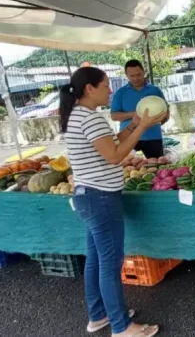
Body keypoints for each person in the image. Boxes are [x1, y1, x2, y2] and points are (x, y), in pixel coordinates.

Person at [60, 67, 164, 337]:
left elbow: (109, 143)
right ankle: (121, 327)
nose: (111, 90)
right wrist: (142, 127)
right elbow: (115, 156)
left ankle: (98, 316)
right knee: (110, 263)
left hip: (88, 196)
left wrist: (133, 125)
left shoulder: (76, 115)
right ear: (89, 89)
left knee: (96, 259)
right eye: (106, 85)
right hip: (101, 199)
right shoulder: (90, 118)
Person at [111, 60, 168, 159]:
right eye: (132, 76)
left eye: (138, 74)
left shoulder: (155, 90)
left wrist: (161, 119)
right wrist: (135, 114)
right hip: (128, 137)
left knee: (156, 165)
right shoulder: (120, 93)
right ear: (126, 75)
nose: (136, 78)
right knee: (130, 165)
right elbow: (114, 116)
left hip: (153, 136)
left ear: (143, 72)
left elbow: (166, 111)